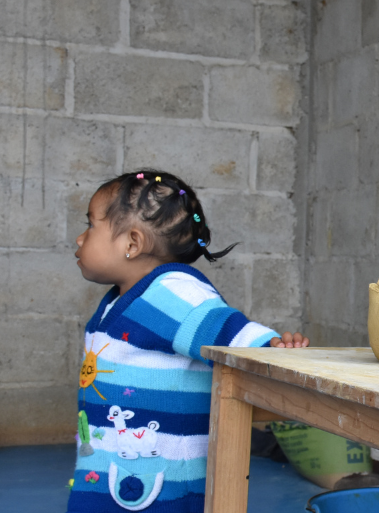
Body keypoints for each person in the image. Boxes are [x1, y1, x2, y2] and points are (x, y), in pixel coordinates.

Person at [66, 170, 309, 513]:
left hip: (161, 494)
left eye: (90, 226)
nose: (79, 239)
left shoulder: (172, 291)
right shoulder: (124, 297)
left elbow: (230, 334)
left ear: (132, 243)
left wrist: (273, 350)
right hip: (114, 478)